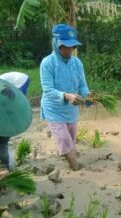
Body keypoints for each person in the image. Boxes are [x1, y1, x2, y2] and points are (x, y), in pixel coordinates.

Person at [40, 24, 90, 171]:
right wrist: (66, 96)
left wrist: (88, 96)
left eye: (72, 47)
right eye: (66, 46)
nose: (69, 50)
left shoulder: (77, 63)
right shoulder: (48, 63)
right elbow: (48, 90)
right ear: (56, 44)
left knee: (71, 137)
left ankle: (67, 154)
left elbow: (82, 85)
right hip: (53, 108)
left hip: (71, 108)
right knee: (62, 137)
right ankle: (73, 163)